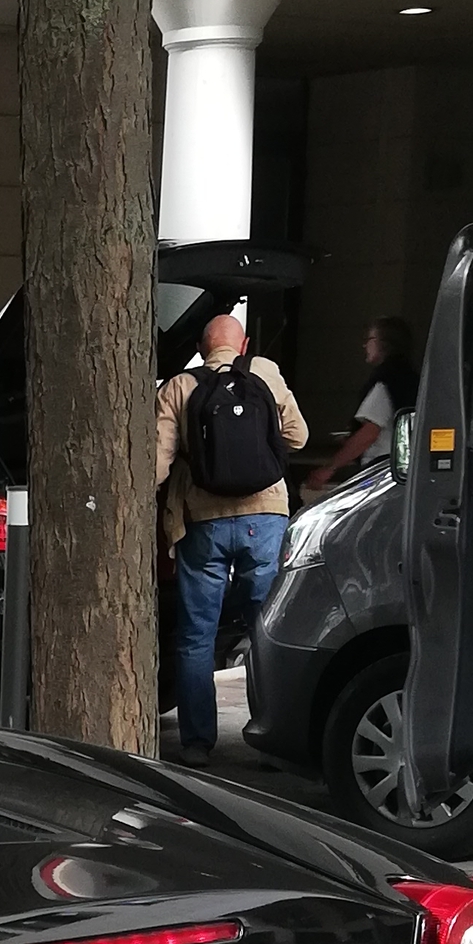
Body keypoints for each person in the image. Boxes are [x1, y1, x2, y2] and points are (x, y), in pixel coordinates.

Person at [155, 309, 309, 768]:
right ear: (242, 347)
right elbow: (297, 437)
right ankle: (272, 737)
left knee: (196, 634)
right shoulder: (264, 372)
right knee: (265, 628)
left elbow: (156, 465)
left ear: (203, 349)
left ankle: (198, 742)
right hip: (265, 517)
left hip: (202, 520)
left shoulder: (180, 387)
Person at [306, 315, 416, 491]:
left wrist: (330, 468)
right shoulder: (411, 379)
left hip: (381, 471)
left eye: (370, 339)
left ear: (385, 343)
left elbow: (369, 433)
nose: (365, 346)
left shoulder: (387, 381)